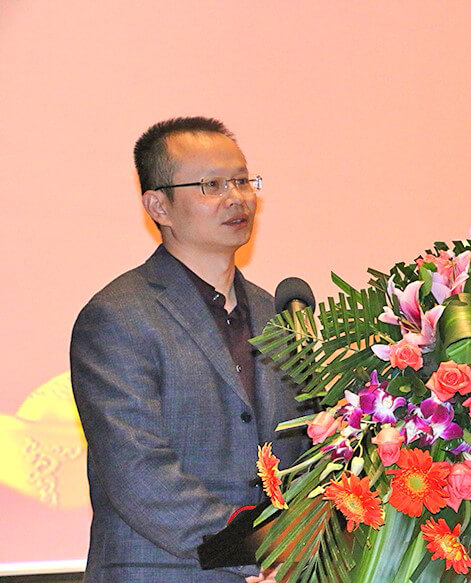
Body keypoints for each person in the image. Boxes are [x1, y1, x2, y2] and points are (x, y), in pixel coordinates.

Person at [71, 117, 302, 582]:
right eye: (212, 185)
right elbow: (137, 469)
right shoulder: (118, 316)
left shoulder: (276, 313)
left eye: (242, 181)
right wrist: (259, 550)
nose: (236, 197)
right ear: (159, 205)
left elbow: (302, 452)